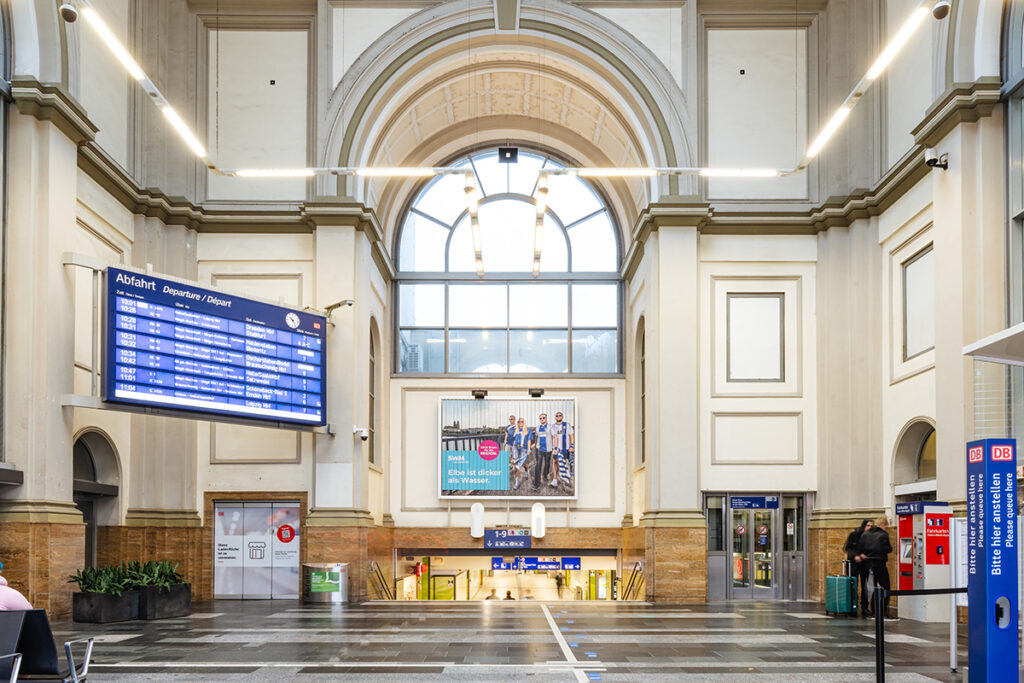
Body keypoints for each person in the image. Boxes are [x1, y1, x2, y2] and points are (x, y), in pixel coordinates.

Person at [856, 515, 895, 619]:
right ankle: (883, 612)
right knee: (885, 587)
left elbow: (860, 548)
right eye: (886, 525)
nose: (886, 527)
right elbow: (888, 549)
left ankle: (873, 611)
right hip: (879, 563)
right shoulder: (883, 534)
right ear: (883, 524)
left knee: (873, 587)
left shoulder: (865, 534)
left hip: (867, 564)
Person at [844, 519, 873, 615]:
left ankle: (864, 606)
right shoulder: (854, 535)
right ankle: (853, 606)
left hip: (864, 564)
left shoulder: (870, 537)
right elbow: (847, 548)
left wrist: (866, 555)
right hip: (853, 563)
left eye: (871, 526)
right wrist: (855, 556)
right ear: (863, 526)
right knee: (853, 585)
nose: (869, 528)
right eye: (868, 525)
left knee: (865, 585)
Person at [549, 411, 575, 488]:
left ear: (562, 417)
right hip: (557, 449)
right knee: (555, 462)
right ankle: (554, 480)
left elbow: (571, 435)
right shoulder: (553, 426)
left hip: (566, 448)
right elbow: (555, 437)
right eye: (556, 416)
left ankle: (569, 479)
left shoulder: (567, 425)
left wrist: (572, 446)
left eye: (559, 415)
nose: (558, 417)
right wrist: (555, 448)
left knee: (567, 462)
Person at [510, 417, 533, 490]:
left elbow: (529, 440)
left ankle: (526, 470)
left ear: (524, 422)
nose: (520, 423)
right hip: (516, 447)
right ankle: (517, 481)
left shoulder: (528, 430)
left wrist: (529, 449)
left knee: (521, 463)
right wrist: (512, 448)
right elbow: (514, 440)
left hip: (524, 448)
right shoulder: (516, 430)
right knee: (516, 463)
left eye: (522, 421)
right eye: (519, 422)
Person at [532, 413, 553, 488]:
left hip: (548, 449)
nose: (542, 419)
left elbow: (554, 437)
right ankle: (536, 483)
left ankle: (545, 475)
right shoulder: (537, 427)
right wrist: (535, 445)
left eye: (543, 418)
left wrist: (555, 447)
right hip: (539, 449)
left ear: (546, 418)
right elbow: (536, 437)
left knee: (547, 464)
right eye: (540, 418)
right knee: (538, 465)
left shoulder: (551, 426)